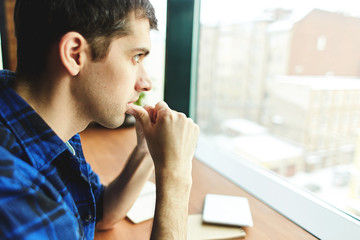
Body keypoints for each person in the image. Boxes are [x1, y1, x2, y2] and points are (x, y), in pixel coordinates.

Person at [0, 0, 199, 239]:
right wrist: (176, 176)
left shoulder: (40, 120)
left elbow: (98, 211)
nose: (146, 83)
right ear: (75, 54)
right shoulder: (17, 195)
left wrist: (147, 151)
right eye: (136, 57)